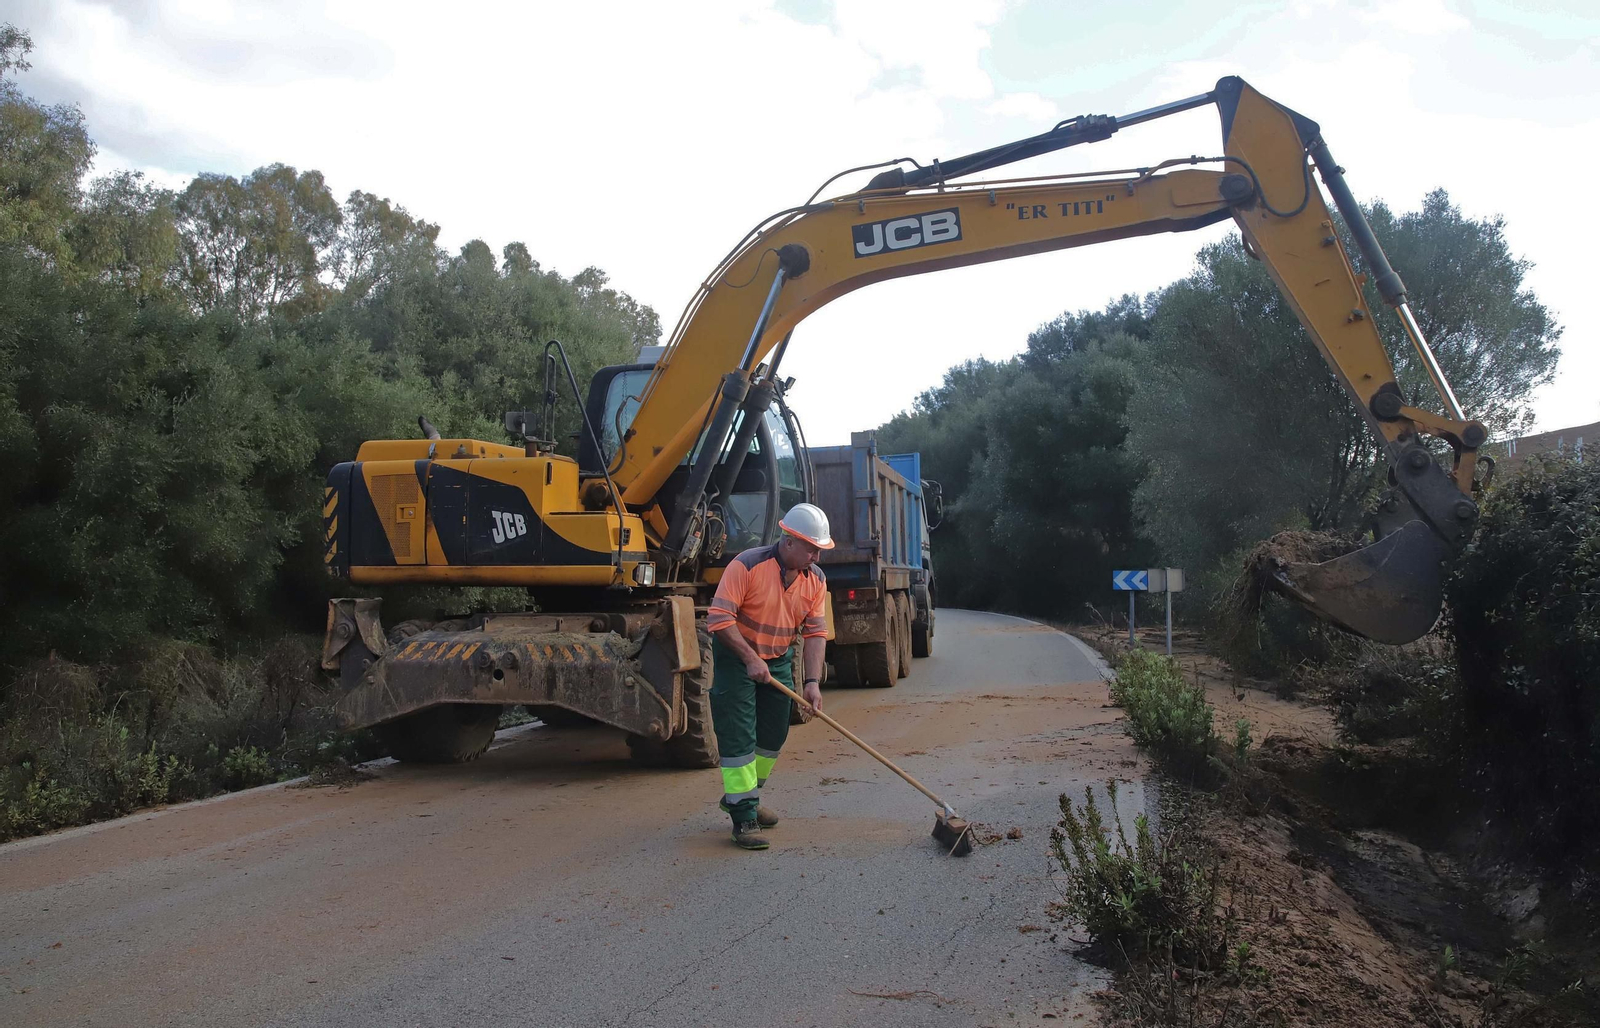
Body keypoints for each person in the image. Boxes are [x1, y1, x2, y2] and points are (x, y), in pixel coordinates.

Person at [705, 502, 831, 850]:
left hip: (777, 659)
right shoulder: (746, 565)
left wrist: (811, 683)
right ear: (789, 541)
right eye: (811, 549)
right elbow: (719, 619)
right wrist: (749, 658)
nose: (816, 557)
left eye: (819, 550)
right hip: (736, 657)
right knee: (739, 735)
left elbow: (816, 634)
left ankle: (744, 795)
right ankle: (744, 818)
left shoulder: (816, 580)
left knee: (774, 734)